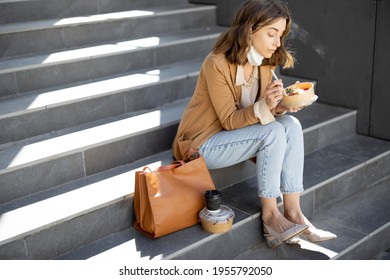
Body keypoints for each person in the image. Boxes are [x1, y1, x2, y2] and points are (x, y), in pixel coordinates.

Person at [172, 0, 336, 248]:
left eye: (280, 35)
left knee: (290, 124)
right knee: (272, 131)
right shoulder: (216, 64)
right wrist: (268, 106)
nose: (277, 43)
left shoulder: (265, 62)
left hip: (237, 139)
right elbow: (229, 120)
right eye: (271, 34)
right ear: (250, 29)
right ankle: (271, 216)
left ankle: (294, 213)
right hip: (202, 144)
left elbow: (262, 112)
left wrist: (281, 106)